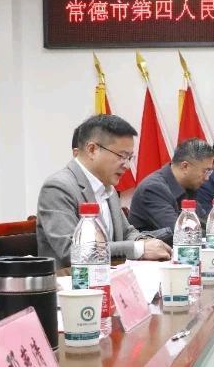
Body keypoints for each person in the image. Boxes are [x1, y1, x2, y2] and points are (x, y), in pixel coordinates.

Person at [36, 114, 171, 267]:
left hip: (110, 275)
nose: (127, 166)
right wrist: (138, 249)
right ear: (92, 150)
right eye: (121, 156)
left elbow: (127, 232)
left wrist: (146, 242)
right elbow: (73, 251)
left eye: (129, 157)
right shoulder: (58, 187)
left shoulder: (108, 187)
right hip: (73, 280)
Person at [128, 139, 214, 241]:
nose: (207, 178)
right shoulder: (153, 188)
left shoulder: (188, 186)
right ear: (185, 166)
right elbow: (180, 233)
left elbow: (203, 223)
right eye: (205, 171)